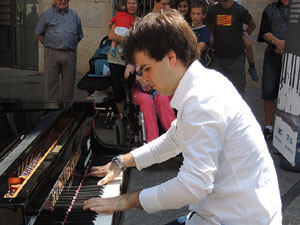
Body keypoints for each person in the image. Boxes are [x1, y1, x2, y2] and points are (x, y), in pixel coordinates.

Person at [83, 10, 282, 225]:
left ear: (170, 58)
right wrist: (122, 161)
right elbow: (174, 139)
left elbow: (193, 184)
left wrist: (128, 200)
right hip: (222, 213)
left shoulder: (202, 99)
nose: (145, 79)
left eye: (147, 68)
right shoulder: (204, 83)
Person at [34, 0, 83, 101]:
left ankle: (66, 112)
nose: (63, 1)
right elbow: (38, 33)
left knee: (69, 86)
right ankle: (51, 111)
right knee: (50, 86)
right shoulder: (47, 15)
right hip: (51, 53)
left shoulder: (75, 16)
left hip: (70, 54)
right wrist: (49, 43)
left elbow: (79, 35)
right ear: (55, 0)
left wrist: (68, 44)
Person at [206, 0, 256, 96]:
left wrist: (245, 34)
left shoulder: (239, 10)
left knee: (237, 93)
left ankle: (252, 67)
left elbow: (252, 24)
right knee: (217, 92)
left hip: (236, 58)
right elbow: (208, 25)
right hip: (218, 58)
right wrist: (212, 34)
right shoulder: (213, 10)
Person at [257, 0, 289, 140]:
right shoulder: (270, 9)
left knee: (290, 94)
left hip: (293, 57)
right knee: (269, 91)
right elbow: (264, 32)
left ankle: (288, 129)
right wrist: (278, 42)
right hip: (272, 55)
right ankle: (269, 127)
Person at [125, 64, 176, 143]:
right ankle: (152, 142)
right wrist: (139, 79)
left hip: (159, 87)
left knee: (163, 99)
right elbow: (127, 73)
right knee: (146, 100)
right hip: (139, 89)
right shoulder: (135, 54)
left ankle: (176, 137)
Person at [107, 0, 139, 117]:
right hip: (116, 58)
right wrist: (127, 40)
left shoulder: (140, 21)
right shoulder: (120, 17)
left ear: (137, 5)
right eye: (129, 3)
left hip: (133, 59)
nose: (131, 5)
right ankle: (121, 116)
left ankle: (131, 115)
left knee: (132, 87)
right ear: (125, 5)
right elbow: (111, 35)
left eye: (134, 3)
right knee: (118, 88)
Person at [190, 1, 210, 66]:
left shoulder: (204, 30)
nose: (195, 16)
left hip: (199, 65)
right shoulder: (188, 29)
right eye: (193, 13)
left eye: (198, 14)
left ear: (204, 15)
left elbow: (199, 50)